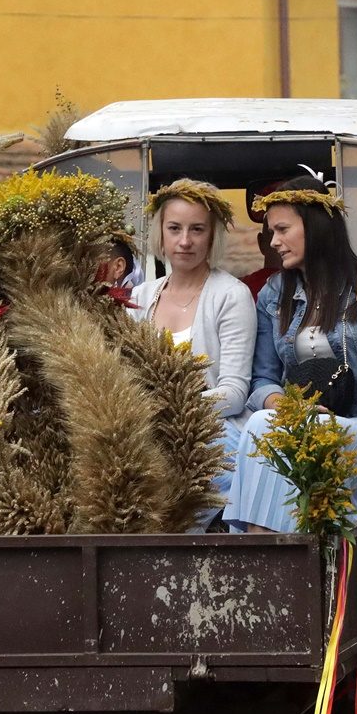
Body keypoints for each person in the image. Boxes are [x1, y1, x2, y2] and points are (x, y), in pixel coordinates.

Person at [224, 177, 357, 533]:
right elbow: (261, 379)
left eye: (282, 229)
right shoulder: (273, 295)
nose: (273, 241)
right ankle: (266, 551)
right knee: (252, 428)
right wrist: (289, 407)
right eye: (271, 231)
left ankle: (260, 558)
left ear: (315, 228)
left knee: (262, 427)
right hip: (302, 426)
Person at [130, 180, 257, 522]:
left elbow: (233, 393)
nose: (185, 241)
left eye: (197, 229)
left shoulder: (231, 295)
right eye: (175, 228)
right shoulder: (141, 297)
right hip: (147, 430)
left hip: (212, 431)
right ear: (161, 233)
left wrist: (171, 410)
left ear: (212, 235)